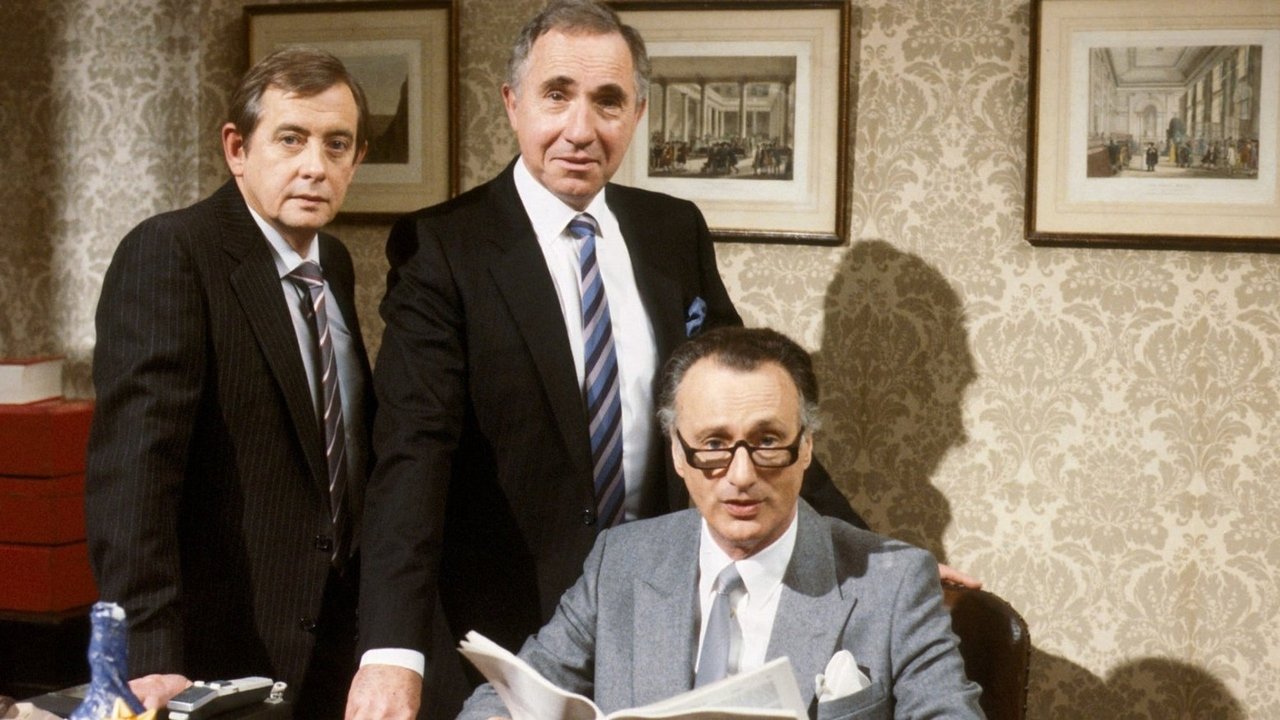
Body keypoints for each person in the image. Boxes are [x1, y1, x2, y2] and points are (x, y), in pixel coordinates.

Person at [348, 2, 977, 717]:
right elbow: (411, 457)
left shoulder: (671, 231)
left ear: (638, 112)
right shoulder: (443, 247)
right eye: (556, 95)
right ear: (513, 103)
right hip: (502, 620)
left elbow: (756, 412)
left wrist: (873, 561)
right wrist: (391, 651)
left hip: (661, 623)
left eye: (608, 101)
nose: (581, 129)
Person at [457, 327, 984, 720]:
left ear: (806, 448)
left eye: (768, 441)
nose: (741, 476)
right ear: (677, 453)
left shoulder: (894, 584)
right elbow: (501, 698)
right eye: (713, 444)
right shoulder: (620, 561)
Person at [85, 47, 374, 718]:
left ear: (357, 159)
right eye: (291, 139)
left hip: (334, 641)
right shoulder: (172, 251)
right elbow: (134, 475)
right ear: (237, 149)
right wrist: (149, 652)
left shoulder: (332, 263)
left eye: (336, 145)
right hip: (213, 652)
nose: (315, 166)